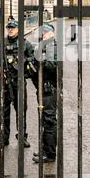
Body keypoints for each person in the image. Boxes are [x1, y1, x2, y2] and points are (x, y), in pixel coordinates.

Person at [0, 19, 35, 148]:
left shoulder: (25, 44)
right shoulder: (1, 44)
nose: (10, 29)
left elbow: (33, 58)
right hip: (4, 82)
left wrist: (22, 61)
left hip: (19, 82)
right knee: (4, 111)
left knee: (21, 111)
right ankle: (3, 137)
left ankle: (22, 137)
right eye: (8, 27)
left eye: (13, 27)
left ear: (18, 29)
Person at [31, 23, 57, 163]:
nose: (42, 35)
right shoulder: (45, 46)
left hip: (49, 89)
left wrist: (39, 59)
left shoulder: (52, 46)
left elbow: (52, 66)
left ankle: (50, 153)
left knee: (49, 120)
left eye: (44, 32)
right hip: (43, 88)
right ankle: (45, 148)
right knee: (45, 120)